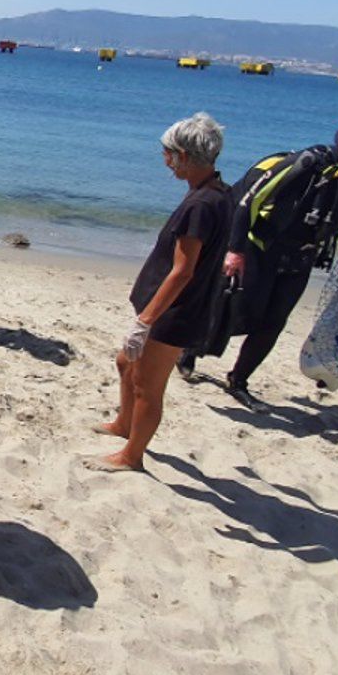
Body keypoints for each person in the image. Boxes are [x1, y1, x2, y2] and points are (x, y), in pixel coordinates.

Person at [190, 113, 338, 410]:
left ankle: (238, 381)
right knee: (237, 311)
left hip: (302, 256)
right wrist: (234, 250)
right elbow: (249, 202)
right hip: (260, 247)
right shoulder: (314, 162)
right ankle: (189, 349)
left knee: (273, 323)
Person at [93, 113, 231, 471]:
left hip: (175, 312)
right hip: (168, 306)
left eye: (168, 153)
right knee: (126, 363)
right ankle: (124, 425)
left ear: (184, 155)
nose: (165, 161)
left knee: (146, 386)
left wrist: (146, 321)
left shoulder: (201, 204)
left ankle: (131, 456)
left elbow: (183, 271)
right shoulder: (214, 192)